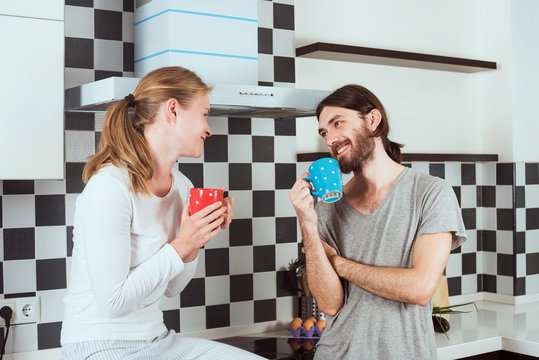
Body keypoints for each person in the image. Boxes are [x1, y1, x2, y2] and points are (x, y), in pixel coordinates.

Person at [61, 66, 263, 360]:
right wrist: (183, 243)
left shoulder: (182, 186)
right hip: (98, 346)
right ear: (173, 110)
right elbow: (113, 302)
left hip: (156, 340)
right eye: (204, 114)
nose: (209, 128)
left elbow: (172, 288)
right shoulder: (109, 187)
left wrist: (195, 241)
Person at [289, 84, 466, 359]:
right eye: (324, 132)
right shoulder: (326, 206)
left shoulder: (430, 193)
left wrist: (338, 264)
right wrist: (307, 222)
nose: (331, 138)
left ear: (372, 121)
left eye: (338, 123)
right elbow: (329, 304)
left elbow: (419, 289)